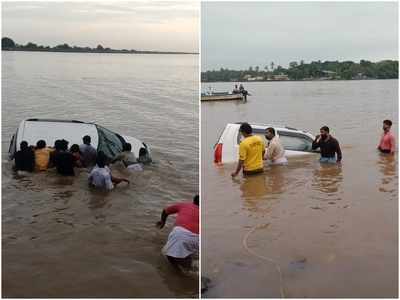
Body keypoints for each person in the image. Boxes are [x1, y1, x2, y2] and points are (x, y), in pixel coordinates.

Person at [156, 195, 199, 270]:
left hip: (179, 234)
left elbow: (165, 211)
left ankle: (183, 272)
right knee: (189, 254)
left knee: (170, 255)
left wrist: (163, 222)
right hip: (197, 238)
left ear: (193, 201)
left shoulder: (184, 205)